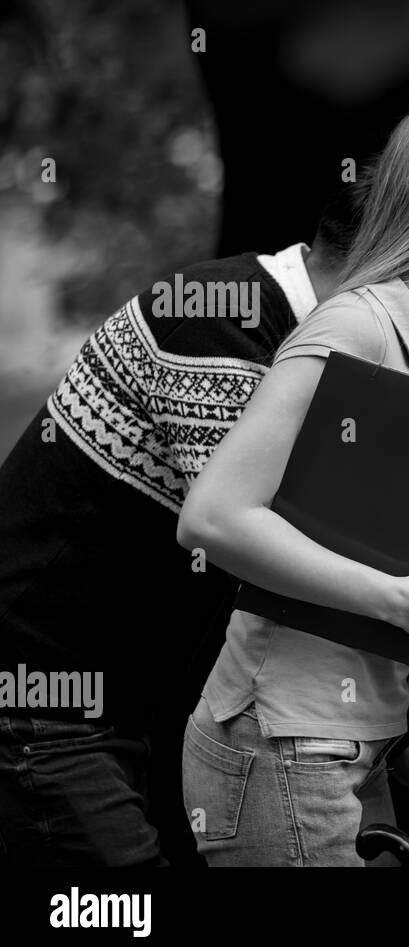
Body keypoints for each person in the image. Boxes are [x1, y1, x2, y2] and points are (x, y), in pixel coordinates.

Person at [176, 95, 409, 866]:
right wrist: (400, 599)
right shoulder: (356, 326)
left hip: (356, 749)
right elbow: (213, 518)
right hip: (286, 746)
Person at [0, 181, 366, 867]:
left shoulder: (309, 344)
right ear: (388, 252)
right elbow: (254, 549)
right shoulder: (218, 317)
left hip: (127, 698)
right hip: (40, 702)